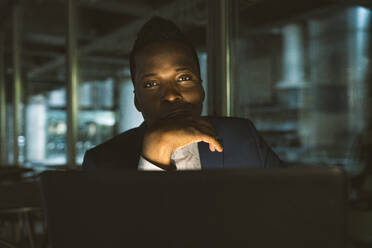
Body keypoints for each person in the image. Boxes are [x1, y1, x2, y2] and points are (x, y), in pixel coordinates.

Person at [82, 17, 282, 171]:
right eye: (151, 84)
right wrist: (155, 152)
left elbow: (293, 210)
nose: (171, 96)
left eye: (184, 78)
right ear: (137, 101)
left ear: (201, 89)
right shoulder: (101, 162)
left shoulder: (243, 137)